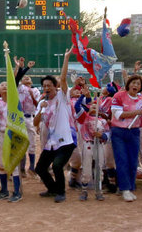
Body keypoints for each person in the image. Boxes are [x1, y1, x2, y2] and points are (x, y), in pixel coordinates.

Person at [35, 47, 77, 203]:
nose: (47, 88)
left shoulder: (62, 96)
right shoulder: (42, 102)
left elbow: (64, 78)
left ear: (55, 86)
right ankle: (52, 189)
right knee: (40, 168)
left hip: (65, 142)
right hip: (50, 144)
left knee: (58, 166)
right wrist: (41, 110)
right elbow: (35, 122)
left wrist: (66, 58)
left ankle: (61, 192)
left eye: (49, 85)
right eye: (44, 86)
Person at [110, 74, 142, 202]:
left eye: (138, 84)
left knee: (133, 162)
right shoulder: (119, 96)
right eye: (133, 83)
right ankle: (124, 189)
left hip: (134, 132)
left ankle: (130, 187)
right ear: (128, 84)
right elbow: (118, 115)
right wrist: (136, 113)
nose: (135, 85)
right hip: (119, 132)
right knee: (122, 160)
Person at [75, 102, 108, 201]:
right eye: (92, 106)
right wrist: (82, 97)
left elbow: (108, 133)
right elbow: (77, 106)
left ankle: (99, 191)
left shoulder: (103, 121)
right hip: (88, 144)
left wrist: (102, 136)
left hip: (99, 144)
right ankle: (84, 190)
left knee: (99, 167)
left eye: (96, 106)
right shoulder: (85, 118)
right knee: (86, 167)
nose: (94, 108)